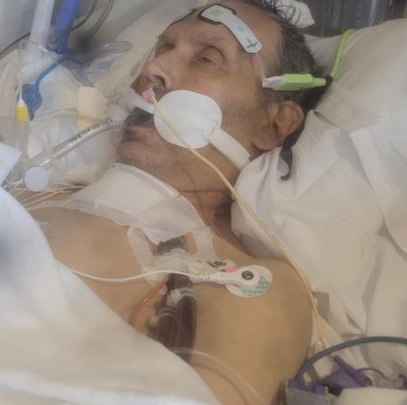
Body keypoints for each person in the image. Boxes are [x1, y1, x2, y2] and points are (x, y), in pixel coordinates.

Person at [30, 0, 323, 403]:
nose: (154, 68)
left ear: (274, 125)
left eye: (207, 58)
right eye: (163, 48)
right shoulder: (39, 191)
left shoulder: (252, 282)